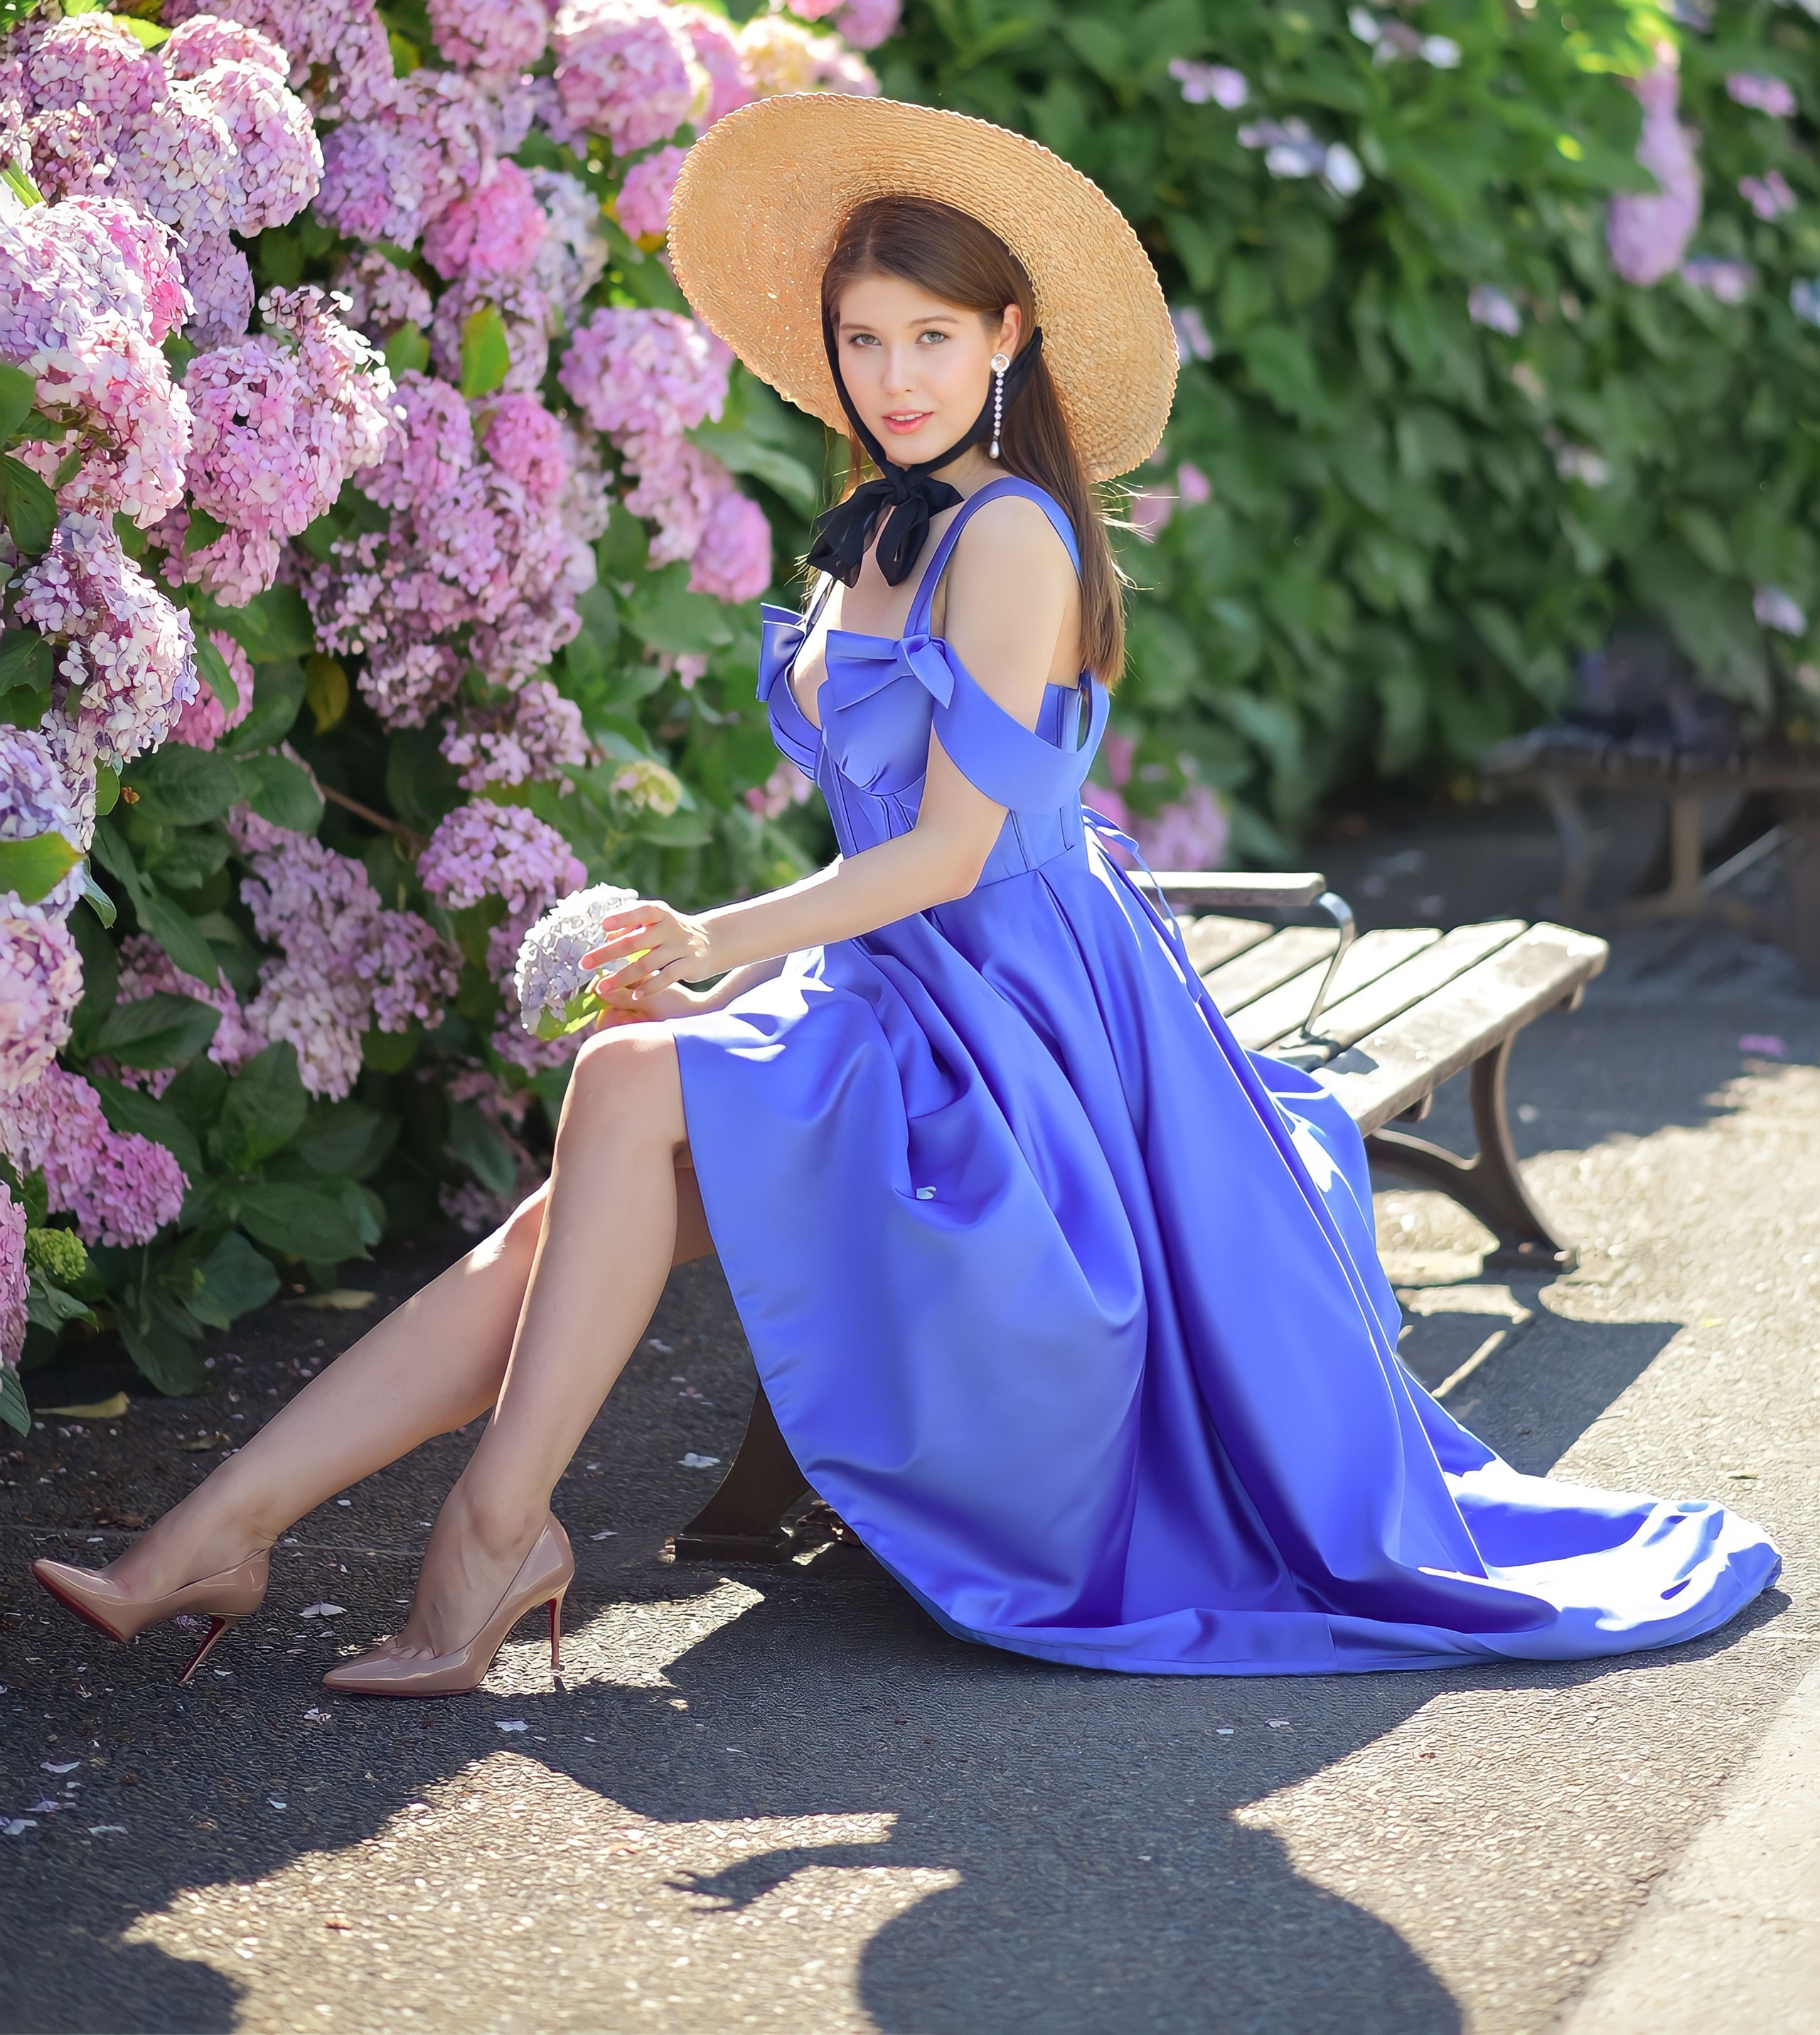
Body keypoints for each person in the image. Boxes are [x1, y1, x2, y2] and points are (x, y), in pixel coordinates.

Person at [34, 94, 1779, 1692]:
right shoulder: (879, 521)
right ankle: (227, 1534)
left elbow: (947, 852)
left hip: (1023, 1020)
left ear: (1005, 336)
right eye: (863, 340)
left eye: (931, 337)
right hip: (899, 986)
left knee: (621, 1083)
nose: (894, 375)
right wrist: (741, 966)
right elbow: (881, 842)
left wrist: (709, 943)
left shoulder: (1009, 533)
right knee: (560, 1218)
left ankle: (475, 1542)